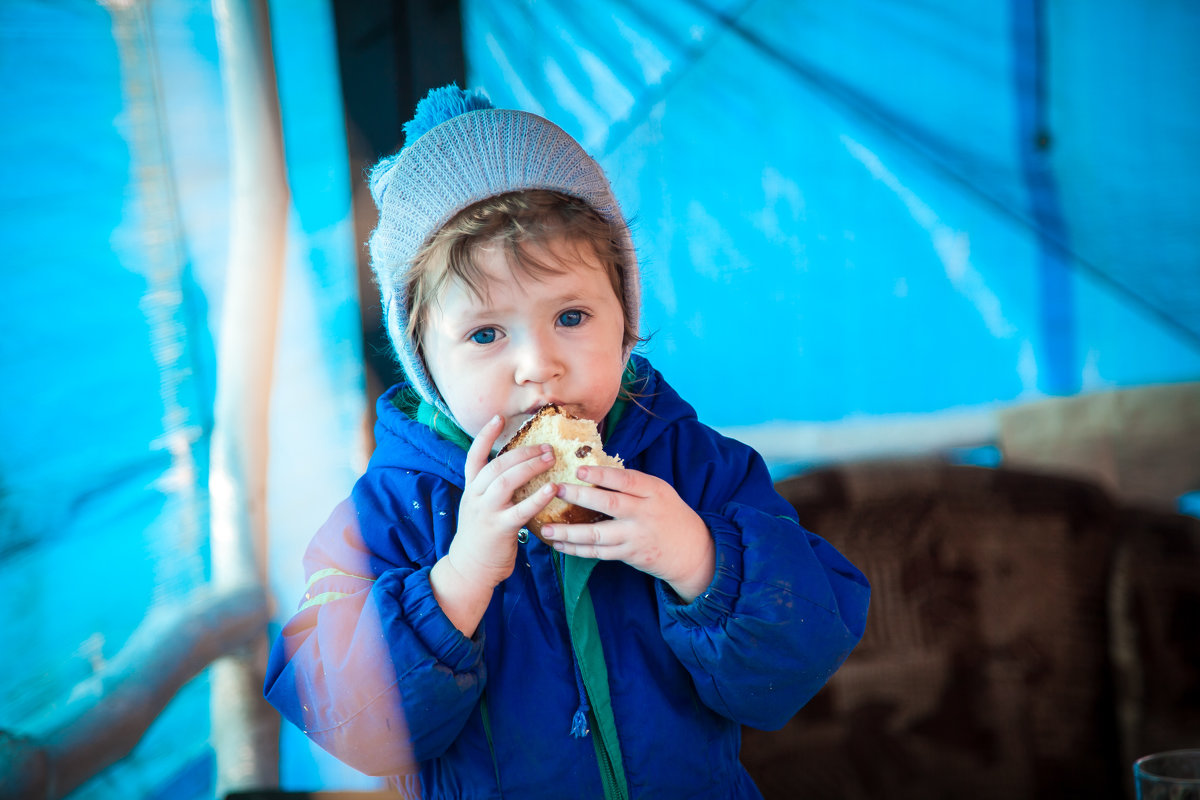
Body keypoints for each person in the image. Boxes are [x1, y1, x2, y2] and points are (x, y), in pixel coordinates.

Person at [264, 83, 870, 799]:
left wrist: (699, 558)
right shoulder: (391, 512)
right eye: (487, 334)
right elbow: (347, 722)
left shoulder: (691, 465)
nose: (538, 365)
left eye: (573, 316)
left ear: (625, 317)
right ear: (424, 355)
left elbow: (801, 657)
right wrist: (455, 584)